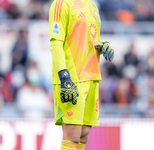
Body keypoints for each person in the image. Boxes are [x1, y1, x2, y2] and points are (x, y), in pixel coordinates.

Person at [49, 0, 114, 149]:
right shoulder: (61, 3)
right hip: (72, 78)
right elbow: (56, 42)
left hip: (91, 76)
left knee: (83, 135)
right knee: (72, 135)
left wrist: (102, 45)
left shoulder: (92, 5)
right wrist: (64, 76)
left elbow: (87, 37)